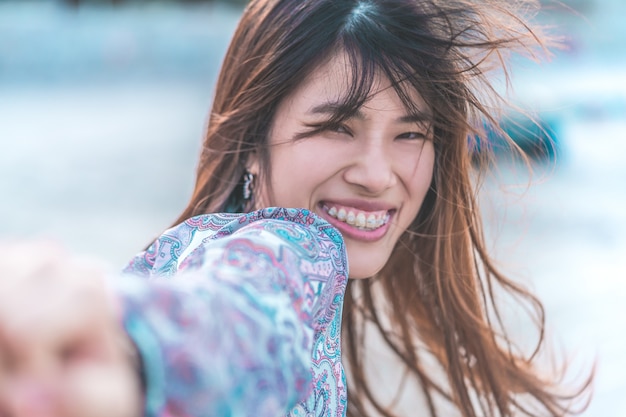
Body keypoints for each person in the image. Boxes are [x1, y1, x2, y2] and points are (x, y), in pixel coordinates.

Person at [0, 0, 592, 416]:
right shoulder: (291, 251)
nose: (377, 173)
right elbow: (240, 316)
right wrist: (123, 347)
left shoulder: (186, 249)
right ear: (251, 143)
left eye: (411, 134)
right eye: (336, 127)